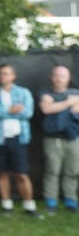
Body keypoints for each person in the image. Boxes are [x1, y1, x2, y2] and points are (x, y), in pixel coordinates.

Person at [0, 64, 37, 215]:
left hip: (18, 139)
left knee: (21, 174)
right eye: (1, 74)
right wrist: (9, 110)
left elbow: (27, 113)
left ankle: (29, 206)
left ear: (13, 76)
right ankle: (7, 205)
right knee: (1, 173)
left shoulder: (23, 93)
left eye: (6, 74)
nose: (3, 76)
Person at [37, 65, 79, 213]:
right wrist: (69, 103)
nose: (59, 79)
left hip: (73, 139)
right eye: (56, 75)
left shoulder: (76, 93)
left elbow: (77, 110)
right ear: (51, 77)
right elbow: (46, 109)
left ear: (68, 78)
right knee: (52, 170)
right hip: (52, 139)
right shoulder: (45, 93)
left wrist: (57, 106)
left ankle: (71, 200)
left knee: (73, 171)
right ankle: (51, 201)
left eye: (62, 76)